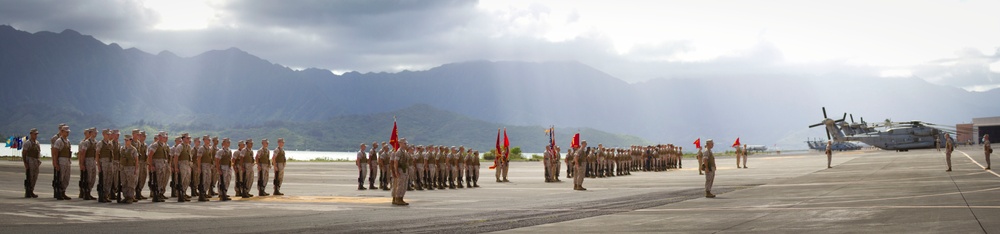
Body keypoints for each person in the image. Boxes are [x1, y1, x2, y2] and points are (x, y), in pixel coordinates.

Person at [148, 131, 171, 202]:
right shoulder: (155, 145)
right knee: (157, 180)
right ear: (159, 137)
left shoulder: (163, 145)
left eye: (165, 137)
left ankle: (160, 194)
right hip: (157, 164)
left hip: (163, 164)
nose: (164, 138)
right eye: (163, 137)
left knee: (162, 180)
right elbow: (150, 155)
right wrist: (151, 165)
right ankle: (156, 195)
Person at [52, 125, 73, 200]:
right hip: (61, 161)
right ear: (62, 132)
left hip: (67, 161)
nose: (67, 133)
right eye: (66, 132)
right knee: (60, 177)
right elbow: (55, 152)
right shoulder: (59, 141)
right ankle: (59, 192)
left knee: (66, 178)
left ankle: (63, 191)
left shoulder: (68, 141)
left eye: (68, 132)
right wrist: (55, 163)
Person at [78, 128, 96, 200]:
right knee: (87, 178)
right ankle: (85, 193)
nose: (96, 134)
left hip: (93, 160)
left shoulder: (95, 142)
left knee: (92, 178)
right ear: (90, 133)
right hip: (88, 160)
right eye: (94, 132)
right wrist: (81, 164)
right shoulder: (86, 142)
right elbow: (82, 153)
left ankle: (89, 192)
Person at [120, 135, 139, 204]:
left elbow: (136, 160)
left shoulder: (133, 149)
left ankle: (130, 197)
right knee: (124, 183)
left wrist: (136, 170)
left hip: (131, 168)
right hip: (123, 168)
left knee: (131, 183)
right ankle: (126, 197)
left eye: (127, 140)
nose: (126, 141)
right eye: (125, 140)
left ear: (130, 140)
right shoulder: (122, 148)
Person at [391, 139, 411, 206]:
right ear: (401, 143)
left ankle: (401, 198)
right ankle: (397, 199)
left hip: (405, 170)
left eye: (406, 143)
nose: (406, 144)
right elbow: (395, 162)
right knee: (400, 185)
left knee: (404, 185)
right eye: (405, 143)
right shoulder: (399, 152)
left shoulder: (405, 152)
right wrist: (396, 171)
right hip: (400, 170)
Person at [22, 128, 41, 198]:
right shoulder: (27, 143)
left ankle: (31, 190)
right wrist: (25, 163)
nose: (36, 135)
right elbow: (24, 153)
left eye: (36, 134)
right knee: (29, 176)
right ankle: (28, 191)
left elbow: (38, 152)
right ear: (31, 134)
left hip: (36, 161)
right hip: (30, 160)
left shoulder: (37, 143)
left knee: (35, 177)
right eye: (34, 134)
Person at [174, 133, 193, 202]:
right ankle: (180, 194)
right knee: (181, 180)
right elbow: (176, 157)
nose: (189, 139)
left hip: (187, 164)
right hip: (182, 164)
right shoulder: (180, 146)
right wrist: (176, 167)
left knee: (187, 180)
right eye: (187, 138)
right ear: (183, 139)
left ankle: (184, 193)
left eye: (189, 138)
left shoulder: (188, 146)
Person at [197, 135, 214, 201]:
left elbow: (210, 157)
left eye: (209, 140)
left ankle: (204, 192)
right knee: (203, 180)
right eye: (208, 140)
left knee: (208, 180)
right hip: (203, 165)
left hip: (208, 166)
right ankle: (201, 194)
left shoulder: (209, 148)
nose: (209, 141)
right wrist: (199, 167)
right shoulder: (201, 148)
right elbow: (199, 158)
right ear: (204, 140)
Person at [134, 131, 149, 200]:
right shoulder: (137, 144)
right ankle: (135, 193)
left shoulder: (145, 145)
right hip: (139, 162)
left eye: (145, 136)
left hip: (144, 162)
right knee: (137, 178)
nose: (144, 137)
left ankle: (139, 191)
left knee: (143, 177)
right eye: (143, 136)